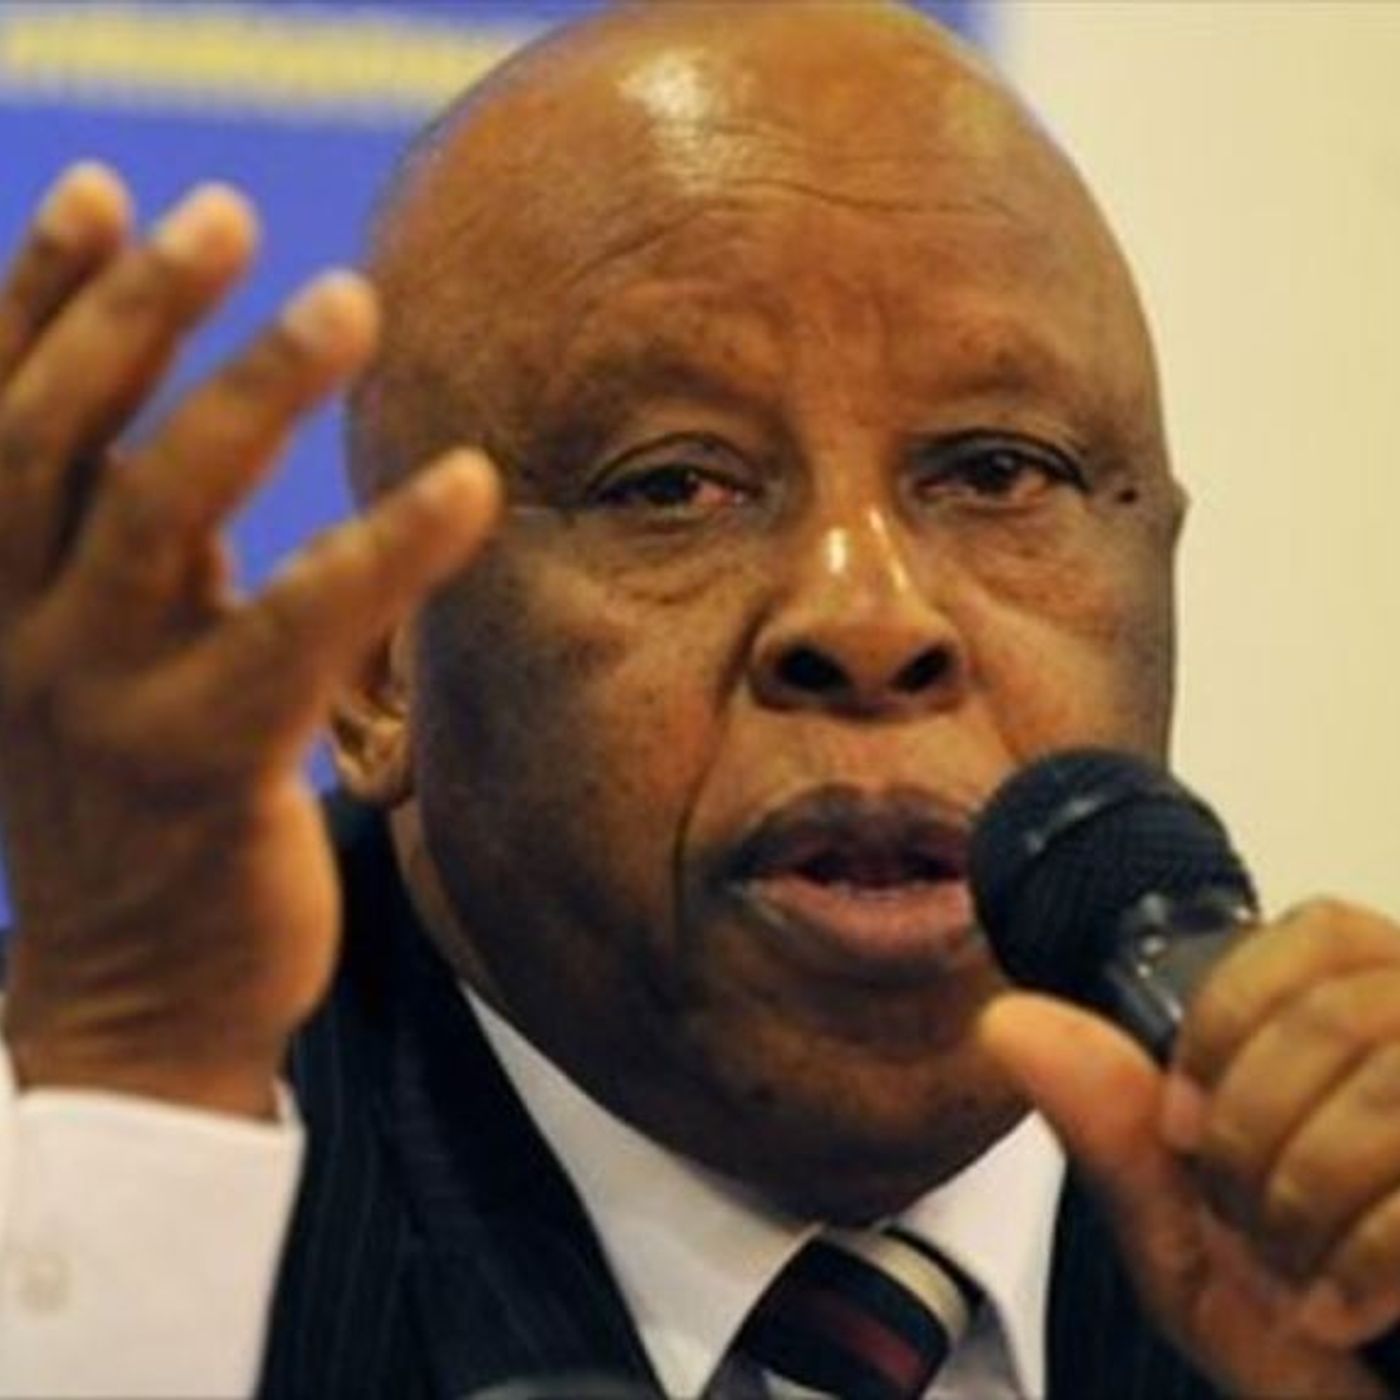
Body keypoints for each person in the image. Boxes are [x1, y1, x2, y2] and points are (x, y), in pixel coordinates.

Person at [0, 2, 1397, 1396]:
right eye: (673, 484)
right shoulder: (123, 1163)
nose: (871, 620)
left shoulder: (1340, 1254)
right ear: (379, 670)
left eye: (996, 471)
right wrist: (139, 1077)